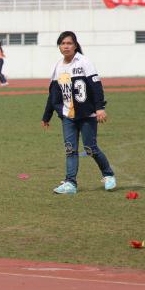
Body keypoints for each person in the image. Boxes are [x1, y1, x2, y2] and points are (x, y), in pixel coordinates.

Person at [41, 31, 116, 194]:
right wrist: (47, 116)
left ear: (75, 45)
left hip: (87, 114)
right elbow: (53, 94)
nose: (66, 46)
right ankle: (70, 183)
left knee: (90, 148)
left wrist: (100, 108)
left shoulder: (84, 62)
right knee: (70, 149)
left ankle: (108, 175)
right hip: (68, 115)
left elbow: (96, 86)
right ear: (59, 47)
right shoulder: (57, 67)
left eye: (69, 43)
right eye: (62, 43)